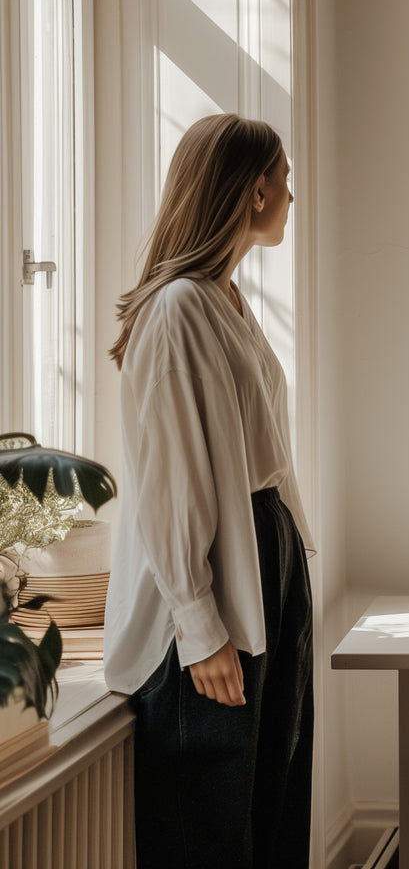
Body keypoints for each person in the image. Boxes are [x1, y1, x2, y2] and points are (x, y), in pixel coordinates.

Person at [104, 114, 315, 868]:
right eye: (285, 180)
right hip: (219, 575)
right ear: (255, 189)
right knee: (210, 821)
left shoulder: (224, 297)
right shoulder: (177, 310)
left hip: (266, 553)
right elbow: (167, 482)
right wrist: (199, 626)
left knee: (274, 802)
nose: (292, 196)